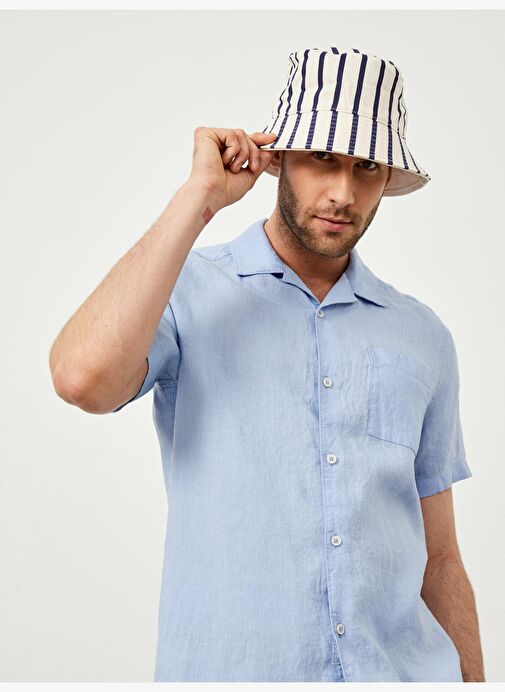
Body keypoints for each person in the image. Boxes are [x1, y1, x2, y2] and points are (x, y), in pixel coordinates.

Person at [49, 46, 485, 682]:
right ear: (278, 157)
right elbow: (81, 379)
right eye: (323, 158)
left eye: (366, 167)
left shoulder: (422, 335)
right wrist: (198, 197)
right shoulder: (188, 291)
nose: (343, 193)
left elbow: (440, 559)